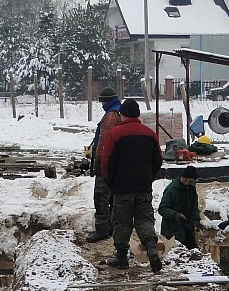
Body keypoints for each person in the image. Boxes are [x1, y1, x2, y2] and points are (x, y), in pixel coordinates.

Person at [101, 98, 163, 272]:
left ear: (122, 115)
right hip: (143, 186)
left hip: (122, 188)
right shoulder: (150, 134)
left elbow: (106, 162)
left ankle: (121, 256)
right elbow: (158, 159)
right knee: (144, 219)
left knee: (122, 221)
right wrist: (148, 177)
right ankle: (151, 246)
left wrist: (111, 183)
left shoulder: (115, 134)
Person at [86, 86, 122, 242]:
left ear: (107, 101)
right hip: (116, 162)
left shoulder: (111, 116)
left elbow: (104, 141)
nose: (101, 105)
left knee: (101, 195)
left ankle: (102, 229)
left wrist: (98, 160)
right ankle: (112, 226)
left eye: (102, 102)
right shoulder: (119, 112)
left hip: (106, 161)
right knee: (112, 197)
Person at [158, 165, 200, 249]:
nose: (191, 183)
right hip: (173, 231)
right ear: (184, 178)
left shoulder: (191, 188)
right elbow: (162, 209)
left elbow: (194, 206)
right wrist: (175, 215)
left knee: (193, 250)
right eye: (190, 181)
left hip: (187, 229)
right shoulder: (172, 190)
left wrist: (196, 219)